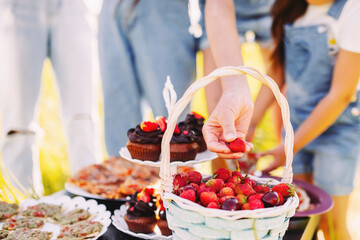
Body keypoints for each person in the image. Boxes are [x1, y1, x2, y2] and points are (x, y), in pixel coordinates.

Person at [247, 0, 360, 239]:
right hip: (297, 127)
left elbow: (341, 94)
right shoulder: (289, 8)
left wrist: (290, 147)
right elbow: (276, 71)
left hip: (337, 132)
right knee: (297, 222)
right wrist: (251, 123)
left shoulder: (353, 10)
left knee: (332, 224)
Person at [0, 0, 102, 193]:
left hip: (74, 6)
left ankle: (92, 206)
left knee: (82, 120)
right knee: (18, 128)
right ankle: (23, 215)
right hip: (17, 7)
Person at [99, 0, 198, 157]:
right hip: (111, 7)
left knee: (176, 139)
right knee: (120, 140)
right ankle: (125, 180)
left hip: (162, 10)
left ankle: (178, 181)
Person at [201, 0, 254, 159]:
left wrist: (254, 122)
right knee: (219, 123)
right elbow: (219, 3)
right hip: (218, 8)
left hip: (281, 7)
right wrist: (235, 88)